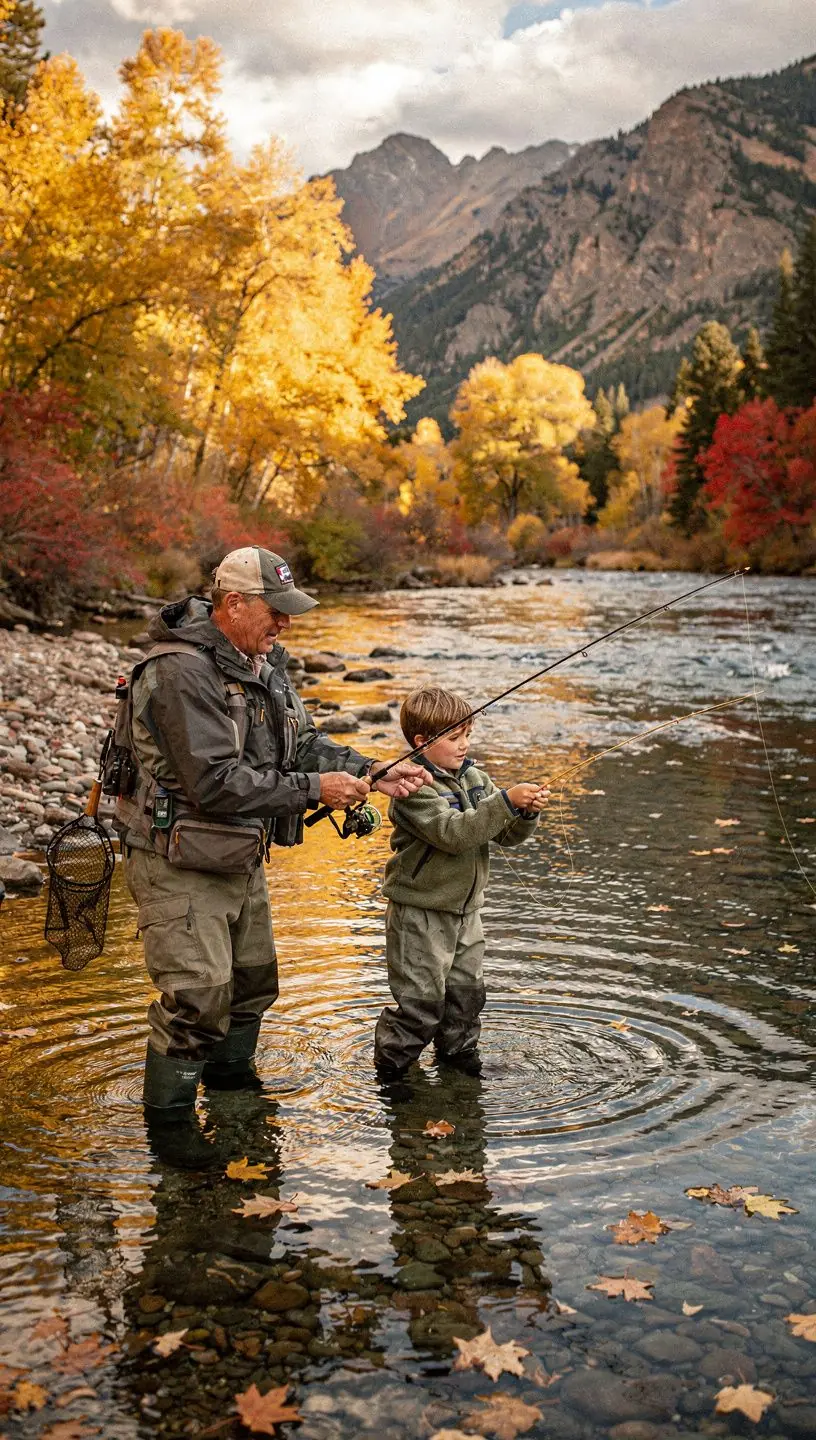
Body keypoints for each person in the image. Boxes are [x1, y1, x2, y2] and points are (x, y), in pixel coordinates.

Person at [111, 546, 429, 1166]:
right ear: (233, 603)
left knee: (253, 986)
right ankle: (171, 1143)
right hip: (178, 858)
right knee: (196, 1001)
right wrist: (317, 791)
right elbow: (214, 782)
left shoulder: (265, 661)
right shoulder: (178, 673)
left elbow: (300, 742)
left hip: (238, 853)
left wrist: (366, 771)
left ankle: (233, 1102)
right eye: (275, 611)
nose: (285, 624)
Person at [374, 686, 548, 1080]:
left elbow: (503, 836)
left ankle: (458, 1061)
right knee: (421, 1004)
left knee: (467, 998)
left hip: (467, 913)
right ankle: (392, 1074)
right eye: (454, 738)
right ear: (422, 742)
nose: (464, 745)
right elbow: (454, 834)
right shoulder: (412, 789)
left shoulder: (475, 778)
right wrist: (505, 802)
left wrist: (523, 814)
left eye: (467, 735)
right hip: (421, 913)